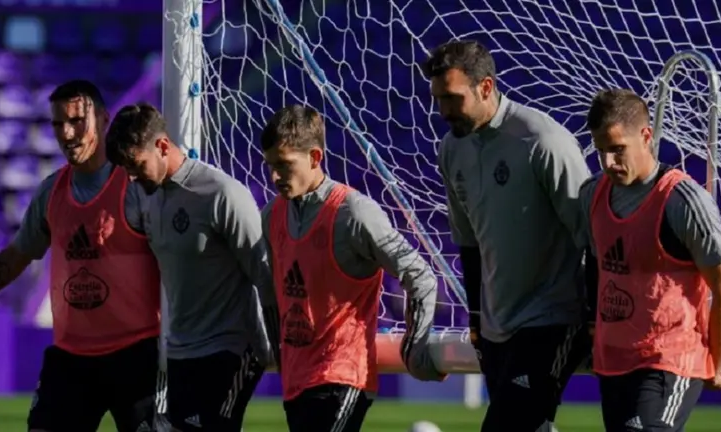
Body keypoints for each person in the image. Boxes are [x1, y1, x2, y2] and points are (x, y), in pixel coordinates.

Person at [423, 39, 593, 431]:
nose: (443, 111)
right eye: (437, 100)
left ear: (486, 87)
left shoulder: (544, 142)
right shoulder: (451, 149)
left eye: (452, 98)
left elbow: (591, 235)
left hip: (553, 317)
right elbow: (468, 242)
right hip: (497, 325)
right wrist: (479, 318)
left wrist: (597, 317)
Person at [0, 80, 161, 432]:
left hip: (137, 353)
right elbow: (16, 256)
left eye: (77, 121)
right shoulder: (52, 192)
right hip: (71, 358)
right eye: (57, 124)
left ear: (104, 119)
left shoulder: (135, 187)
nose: (67, 133)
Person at [259, 104, 443, 432]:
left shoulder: (354, 213)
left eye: (284, 166)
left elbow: (420, 274)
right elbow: (271, 294)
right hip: (296, 379)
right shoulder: (272, 215)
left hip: (341, 373)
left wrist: (415, 347)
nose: (275, 177)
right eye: (270, 166)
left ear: (315, 157)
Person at [105, 103, 278, 432]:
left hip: (232, 347)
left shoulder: (221, 194)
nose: (130, 175)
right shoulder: (146, 196)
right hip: (181, 352)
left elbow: (264, 275)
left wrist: (281, 347)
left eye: (135, 164)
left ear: (162, 146)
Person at [581, 88, 721, 431]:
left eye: (617, 149)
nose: (609, 162)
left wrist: (715, 362)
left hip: (668, 361)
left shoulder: (683, 201)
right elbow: (595, 268)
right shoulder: (592, 193)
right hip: (614, 362)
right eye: (601, 152)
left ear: (646, 136)